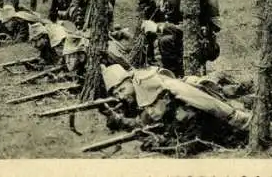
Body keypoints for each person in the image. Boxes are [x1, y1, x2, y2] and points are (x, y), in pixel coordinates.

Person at [100, 64, 261, 153]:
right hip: (214, 106)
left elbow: (188, 145)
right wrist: (121, 121)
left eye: (122, 90)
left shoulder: (181, 107)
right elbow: (144, 122)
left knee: (251, 105)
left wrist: (160, 143)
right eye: (117, 93)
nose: (121, 96)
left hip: (227, 127)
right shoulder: (152, 97)